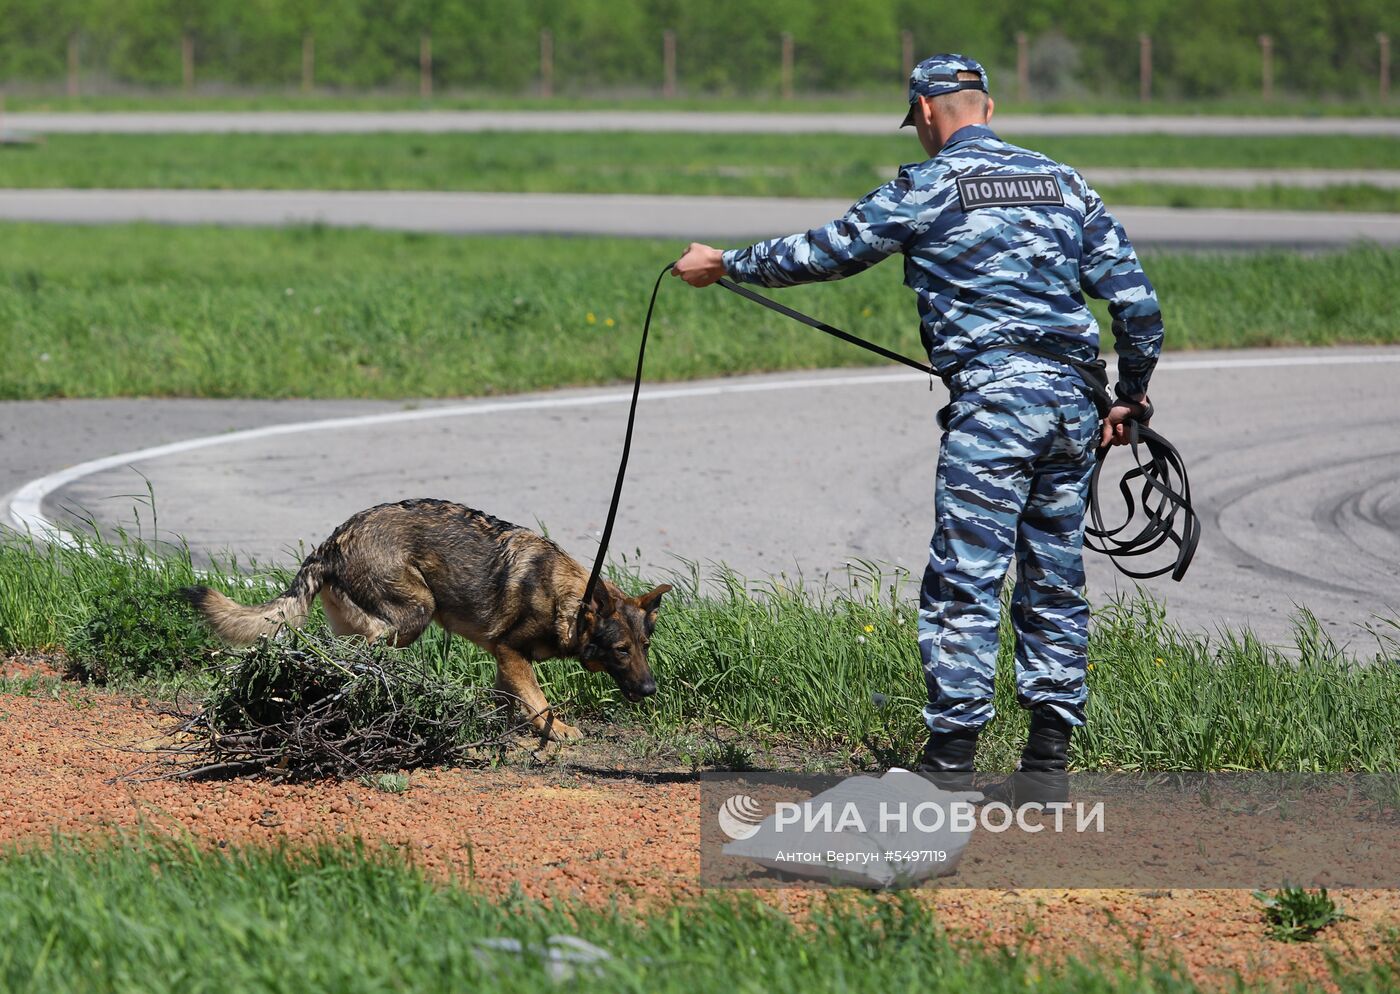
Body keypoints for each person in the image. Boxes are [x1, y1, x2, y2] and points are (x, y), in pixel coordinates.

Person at [671, 54, 1164, 796]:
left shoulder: (926, 186)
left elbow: (827, 251)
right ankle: (1046, 769)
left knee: (965, 580)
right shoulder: (1065, 184)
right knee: (1054, 577)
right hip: (1073, 406)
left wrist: (726, 264)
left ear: (928, 114)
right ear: (988, 110)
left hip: (995, 405)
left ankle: (952, 763)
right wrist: (1129, 395)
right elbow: (1138, 306)